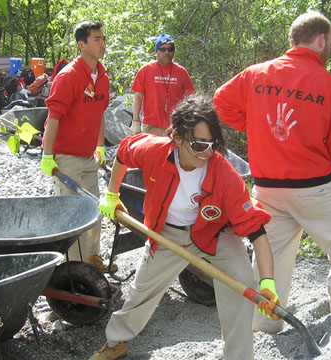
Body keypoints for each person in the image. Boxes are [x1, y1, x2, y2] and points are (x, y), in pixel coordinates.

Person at [213, 10, 331, 335]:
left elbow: (221, 101)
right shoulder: (329, 85)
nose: (329, 46)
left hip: (267, 190)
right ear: (321, 40)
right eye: (329, 41)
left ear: (292, 40)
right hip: (314, 189)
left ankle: (264, 321)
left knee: (270, 258)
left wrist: (252, 125)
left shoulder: (256, 74)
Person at [89, 95, 280, 360]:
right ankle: (115, 343)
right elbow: (123, 153)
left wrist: (268, 281)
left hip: (215, 235)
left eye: (212, 144)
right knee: (141, 292)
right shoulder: (154, 151)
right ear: (177, 137)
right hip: (167, 233)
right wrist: (112, 195)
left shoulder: (225, 174)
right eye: (199, 145)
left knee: (241, 285)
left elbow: (256, 230)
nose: (207, 153)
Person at [40, 21, 115, 272]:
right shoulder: (69, 76)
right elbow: (54, 117)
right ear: (82, 45)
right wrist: (48, 155)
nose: (103, 44)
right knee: (73, 216)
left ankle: (92, 259)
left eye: (104, 39)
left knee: (94, 211)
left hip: (88, 156)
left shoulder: (102, 76)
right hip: (66, 157)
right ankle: (76, 269)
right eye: (97, 39)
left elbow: (100, 113)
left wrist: (100, 146)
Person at [130, 33, 195, 136]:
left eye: (170, 49)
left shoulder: (181, 72)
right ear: (156, 50)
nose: (167, 52)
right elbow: (138, 96)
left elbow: (190, 99)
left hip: (174, 127)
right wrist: (135, 121)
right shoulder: (146, 70)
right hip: (151, 126)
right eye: (162, 49)